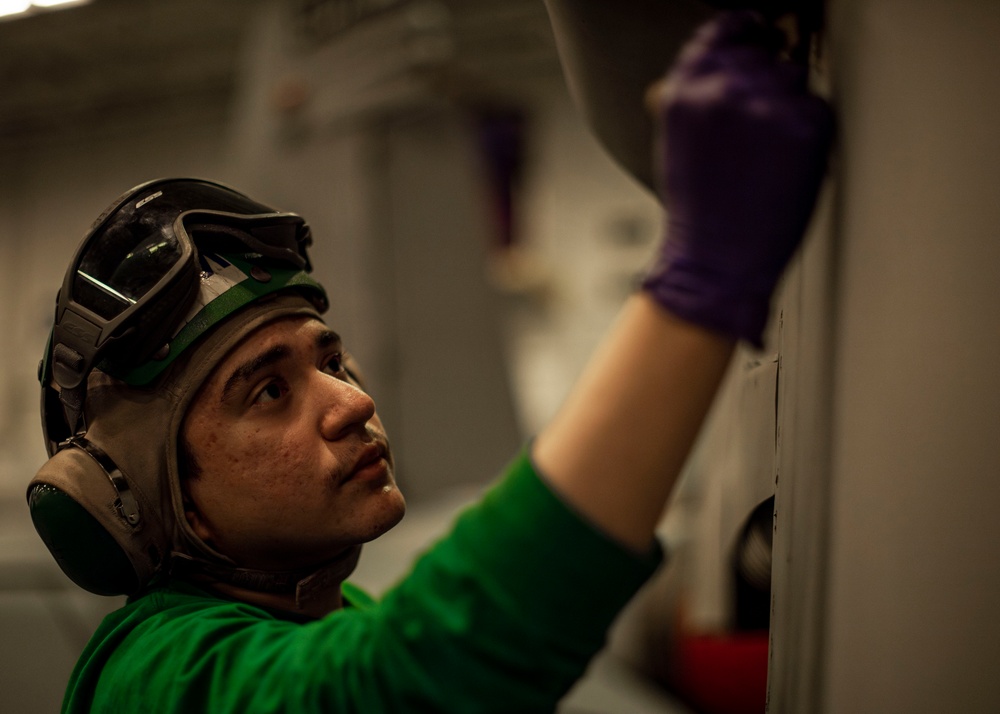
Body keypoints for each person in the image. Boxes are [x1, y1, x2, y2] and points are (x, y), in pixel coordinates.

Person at [27, 11, 833, 713]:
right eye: (269, 391)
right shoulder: (148, 674)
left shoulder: (329, 614)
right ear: (174, 504)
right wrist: (701, 281)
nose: (348, 404)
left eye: (331, 362)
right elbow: (403, 688)